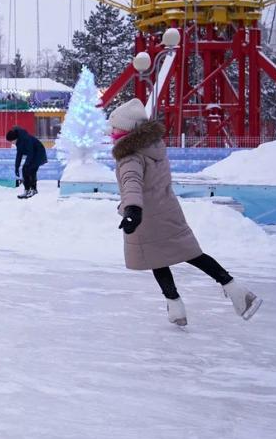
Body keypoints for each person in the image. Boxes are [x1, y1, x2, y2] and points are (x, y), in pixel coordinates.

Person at [110, 98, 262, 325]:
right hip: (167, 210)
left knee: (158, 259)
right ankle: (233, 291)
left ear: (126, 129)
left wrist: (132, 209)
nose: (111, 130)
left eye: (115, 126)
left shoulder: (130, 155)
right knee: (189, 254)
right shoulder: (153, 148)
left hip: (147, 216)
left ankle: (176, 305)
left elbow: (131, 182)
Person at [6, 126, 47, 199]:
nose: (12, 143)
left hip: (39, 153)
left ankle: (33, 189)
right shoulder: (19, 142)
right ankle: (27, 190)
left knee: (31, 169)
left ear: (15, 138)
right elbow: (19, 155)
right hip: (32, 154)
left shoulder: (26, 139)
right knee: (24, 170)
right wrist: (16, 167)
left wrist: (27, 163)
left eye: (12, 141)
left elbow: (30, 152)